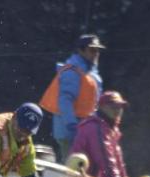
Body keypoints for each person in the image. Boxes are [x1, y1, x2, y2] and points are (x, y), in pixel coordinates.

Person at [40, 34, 105, 163]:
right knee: (71, 164)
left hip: (84, 128)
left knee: (83, 165)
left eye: (98, 50)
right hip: (69, 129)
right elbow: (65, 100)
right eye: (92, 50)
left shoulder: (92, 74)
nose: (96, 53)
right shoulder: (72, 72)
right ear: (81, 50)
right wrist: (72, 125)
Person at [69, 90, 129, 177]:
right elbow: (106, 160)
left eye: (120, 107)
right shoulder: (95, 127)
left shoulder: (110, 128)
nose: (117, 110)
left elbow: (118, 163)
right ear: (102, 107)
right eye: (113, 106)